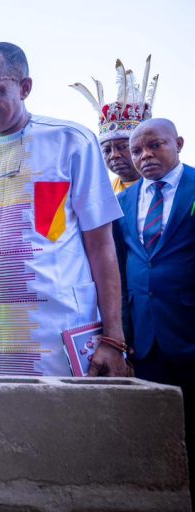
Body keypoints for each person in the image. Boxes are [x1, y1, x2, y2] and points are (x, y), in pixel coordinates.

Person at [0, 42, 129, 377]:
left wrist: (114, 337)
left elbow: (101, 245)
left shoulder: (70, 141)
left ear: (25, 88)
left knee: (72, 426)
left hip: (65, 338)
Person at [113, 118, 195, 502]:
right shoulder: (123, 202)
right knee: (155, 434)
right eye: (137, 150)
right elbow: (121, 266)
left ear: (177, 143)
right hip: (145, 337)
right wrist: (123, 336)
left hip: (189, 329)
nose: (145, 156)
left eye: (155, 146)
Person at [71, 55, 159, 194]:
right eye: (106, 150)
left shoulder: (165, 187)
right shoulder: (102, 194)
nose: (114, 155)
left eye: (123, 147)